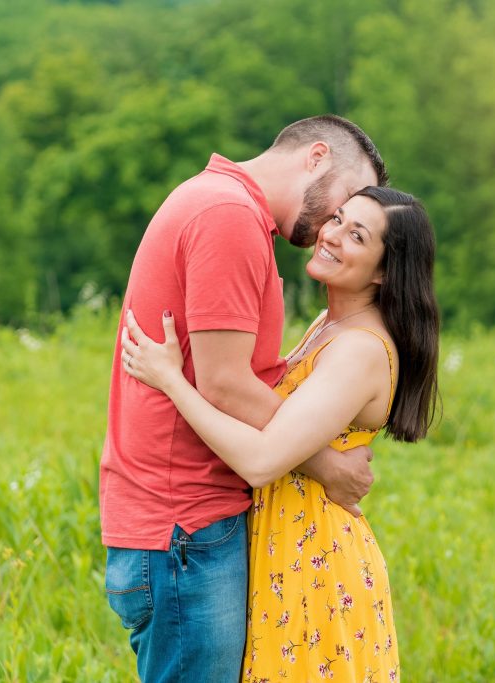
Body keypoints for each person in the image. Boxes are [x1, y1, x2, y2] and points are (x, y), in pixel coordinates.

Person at [100, 115, 389, 682]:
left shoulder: (226, 209)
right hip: (187, 526)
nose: (336, 223)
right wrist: (325, 463)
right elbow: (226, 383)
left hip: (184, 526)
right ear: (316, 157)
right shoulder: (227, 217)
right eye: (345, 202)